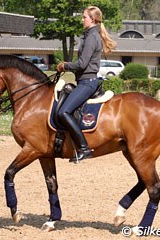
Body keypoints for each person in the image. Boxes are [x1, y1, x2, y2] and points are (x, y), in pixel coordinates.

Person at [57, 5, 116, 163]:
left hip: (87, 82)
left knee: (63, 112)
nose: (82, 19)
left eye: (84, 17)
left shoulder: (91, 37)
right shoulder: (90, 35)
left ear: (93, 19)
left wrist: (65, 66)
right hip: (83, 81)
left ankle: (83, 148)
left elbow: (82, 64)